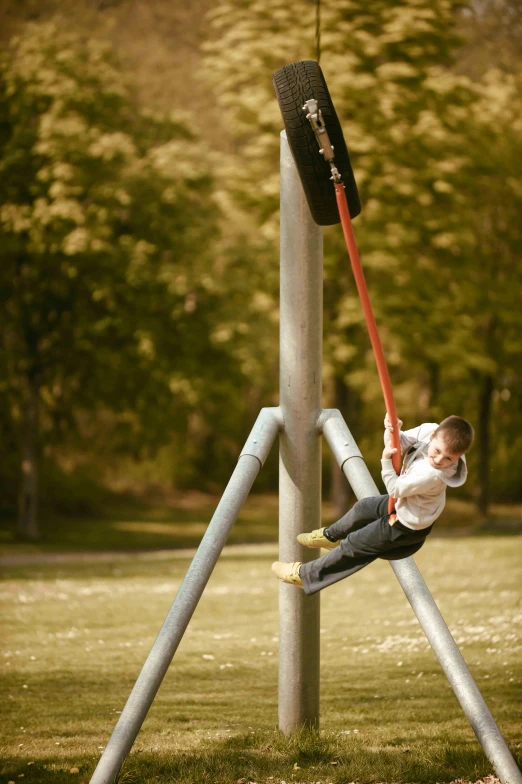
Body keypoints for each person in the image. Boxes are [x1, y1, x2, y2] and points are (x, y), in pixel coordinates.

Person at [271, 414, 474, 594]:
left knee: (355, 545)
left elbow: (394, 487)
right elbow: (399, 443)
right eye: (437, 450)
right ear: (433, 436)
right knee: (363, 508)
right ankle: (331, 536)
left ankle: (305, 576)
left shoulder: (433, 475)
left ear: (458, 458)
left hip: (407, 526)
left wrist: (385, 461)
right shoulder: (429, 430)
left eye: (449, 458)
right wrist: (392, 430)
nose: (439, 459)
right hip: (403, 504)